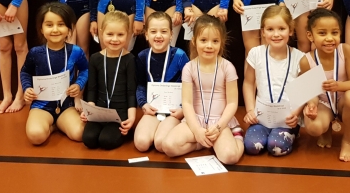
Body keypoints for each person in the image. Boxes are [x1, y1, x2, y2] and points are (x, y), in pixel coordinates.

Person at [161, 15, 244, 165]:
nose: (209, 46)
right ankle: (201, 143)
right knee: (168, 146)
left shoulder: (227, 67)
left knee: (229, 157)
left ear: (222, 42)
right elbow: (187, 103)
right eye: (204, 40)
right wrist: (197, 130)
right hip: (196, 120)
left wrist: (219, 127)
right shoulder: (189, 67)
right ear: (194, 41)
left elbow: (232, 103)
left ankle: (237, 137)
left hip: (219, 123)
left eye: (215, 41)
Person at [299, 9, 350, 162]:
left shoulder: (345, 50)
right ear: (310, 36)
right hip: (324, 103)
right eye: (322, 33)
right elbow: (310, 93)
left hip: (343, 102)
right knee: (314, 127)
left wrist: (338, 86)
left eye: (334, 33)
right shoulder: (306, 61)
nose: (329, 38)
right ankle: (325, 131)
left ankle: (347, 141)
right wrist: (311, 105)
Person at [21, 2, 88, 145]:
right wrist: (27, 88)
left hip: (66, 105)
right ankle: (52, 127)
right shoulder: (35, 53)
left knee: (80, 134)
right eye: (49, 25)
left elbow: (85, 69)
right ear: (41, 29)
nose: (55, 29)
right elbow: (25, 72)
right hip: (41, 105)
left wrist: (79, 84)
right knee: (36, 136)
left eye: (61, 24)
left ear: (69, 28)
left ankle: (58, 124)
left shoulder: (76, 51)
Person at [242, 6, 303, 156]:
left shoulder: (300, 57)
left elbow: (303, 91)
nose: (276, 34)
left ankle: (292, 132)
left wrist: (296, 114)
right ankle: (264, 132)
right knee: (251, 147)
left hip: (286, 119)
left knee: (276, 147)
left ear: (291, 30)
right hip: (261, 118)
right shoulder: (256, 53)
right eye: (270, 29)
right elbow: (248, 83)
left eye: (281, 28)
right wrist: (250, 110)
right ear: (263, 31)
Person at [133, 12, 189, 152]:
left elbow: (189, 86)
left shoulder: (180, 55)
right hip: (153, 108)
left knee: (160, 143)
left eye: (164, 31)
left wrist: (183, 109)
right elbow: (141, 85)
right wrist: (143, 104)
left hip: (174, 110)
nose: (158, 36)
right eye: (153, 32)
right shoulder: (142, 56)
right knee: (141, 143)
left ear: (171, 35)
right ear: (146, 35)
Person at [81, 11, 137, 150]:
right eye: (110, 34)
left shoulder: (130, 59)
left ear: (128, 34)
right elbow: (92, 89)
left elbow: (131, 92)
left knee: (106, 141)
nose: (115, 39)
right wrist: (89, 111)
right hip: (99, 112)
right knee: (89, 139)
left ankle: (124, 132)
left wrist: (131, 119)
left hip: (120, 113)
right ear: (102, 33)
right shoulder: (95, 58)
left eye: (120, 34)